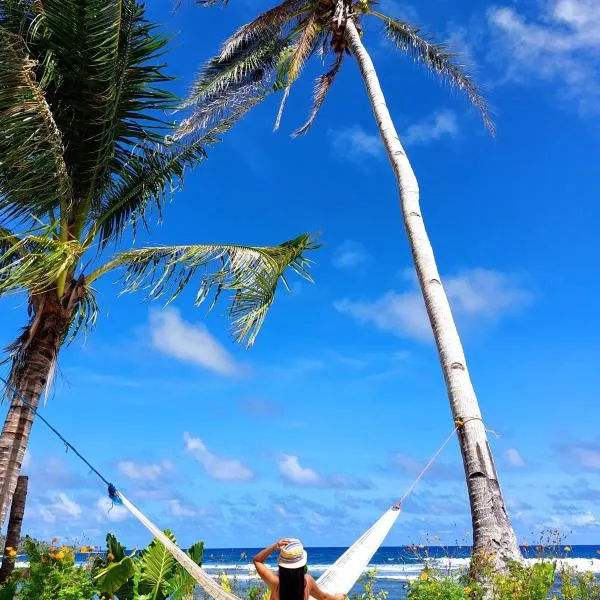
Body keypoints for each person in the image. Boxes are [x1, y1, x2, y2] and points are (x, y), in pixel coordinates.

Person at [253, 539, 345, 600]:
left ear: (282, 564)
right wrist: (338, 597)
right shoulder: (307, 581)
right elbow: (324, 597)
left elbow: (257, 560)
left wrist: (275, 545)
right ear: (302, 564)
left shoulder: (275, 582)